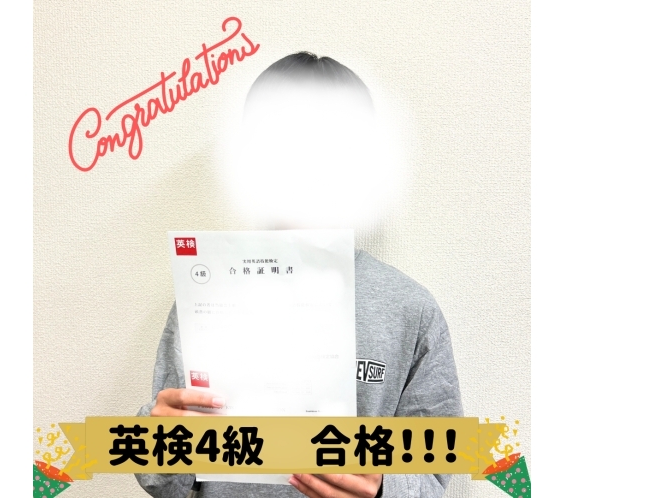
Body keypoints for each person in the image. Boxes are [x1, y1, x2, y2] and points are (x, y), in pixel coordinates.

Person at [135, 52, 463, 498]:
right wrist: (157, 442)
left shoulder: (409, 311)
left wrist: (383, 488)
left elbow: (437, 473)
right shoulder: (204, 296)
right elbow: (166, 483)